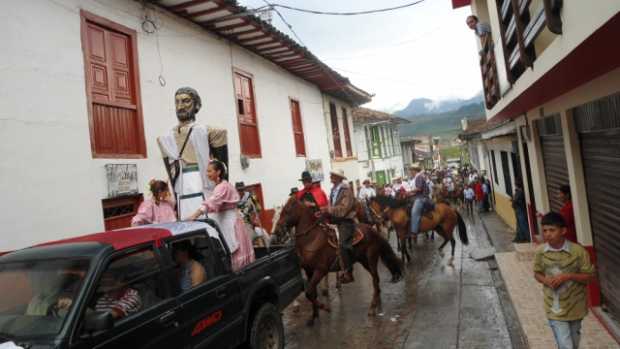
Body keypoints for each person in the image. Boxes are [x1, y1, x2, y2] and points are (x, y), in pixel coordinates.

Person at [158, 87, 228, 220]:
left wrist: (221, 198)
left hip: (204, 185)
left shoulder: (212, 132)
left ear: (196, 105)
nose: (180, 106)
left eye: (186, 101)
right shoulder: (165, 139)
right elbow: (171, 173)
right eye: (177, 102)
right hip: (181, 188)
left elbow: (222, 170)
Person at [534, 212, 595, 349]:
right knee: (566, 346)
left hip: (576, 307)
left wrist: (568, 276)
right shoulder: (540, 252)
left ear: (563, 231)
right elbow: (537, 273)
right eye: (544, 231)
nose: (547, 234)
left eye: (552, 230)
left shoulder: (578, 251)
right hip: (554, 309)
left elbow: (590, 277)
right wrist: (545, 280)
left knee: (573, 344)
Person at [187, 160, 255, 271]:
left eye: (210, 171)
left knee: (234, 250)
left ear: (218, 172)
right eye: (207, 171)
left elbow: (211, 202)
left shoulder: (223, 187)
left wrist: (194, 215)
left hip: (230, 223)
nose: (207, 174)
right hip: (226, 222)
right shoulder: (220, 186)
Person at [320, 169, 356, 284]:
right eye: (331, 175)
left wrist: (328, 209)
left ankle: (348, 272)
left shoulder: (346, 190)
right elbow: (332, 206)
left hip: (345, 221)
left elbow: (344, 209)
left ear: (339, 178)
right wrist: (323, 212)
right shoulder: (333, 190)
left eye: (333, 175)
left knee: (343, 245)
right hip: (334, 220)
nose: (330, 176)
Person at [236, 182, 266, 246]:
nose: (240, 192)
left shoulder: (251, 197)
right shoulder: (234, 200)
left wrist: (255, 220)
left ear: (244, 189)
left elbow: (258, 209)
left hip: (248, 223)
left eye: (241, 190)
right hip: (237, 224)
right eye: (238, 190)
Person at [408, 166, 429, 238]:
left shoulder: (419, 177)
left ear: (415, 171)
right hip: (416, 196)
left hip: (422, 197)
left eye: (411, 171)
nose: (410, 172)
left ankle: (414, 231)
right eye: (410, 171)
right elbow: (415, 191)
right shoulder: (414, 178)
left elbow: (419, 189)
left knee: (414, 211)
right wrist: (408, 194)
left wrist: (410, 192)